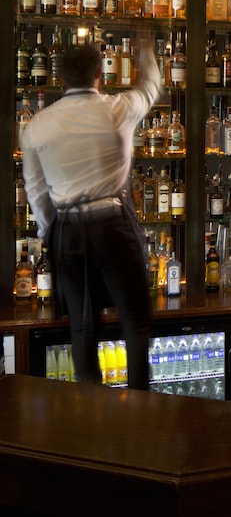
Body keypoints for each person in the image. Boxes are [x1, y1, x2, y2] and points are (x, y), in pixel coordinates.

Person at [20, 33, 162, 390]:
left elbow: (35, 190)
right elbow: (151, 87)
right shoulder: (118, 108)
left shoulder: (37, 125)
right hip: (112, 221)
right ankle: (141, 407)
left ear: (60, 77)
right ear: (100, 72)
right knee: (134, 322)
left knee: (82, 326)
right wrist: (146, 52)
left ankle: (89, 409)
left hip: (67, 228)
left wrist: (53, 231)